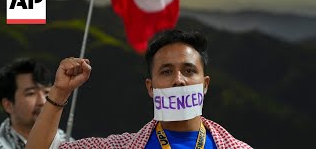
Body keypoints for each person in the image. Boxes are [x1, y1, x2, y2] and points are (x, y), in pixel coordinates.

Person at [26, 30, 253, 149]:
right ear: (150, 87)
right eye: (166, 71)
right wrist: (59, 92)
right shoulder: (120, 146)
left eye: (188, 70)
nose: (179, 80)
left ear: (204, 85)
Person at [0, 58, 72, 149]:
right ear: (8, 105)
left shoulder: (69, 143)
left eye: (47, 92)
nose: (43, 101)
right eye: (31, 93)